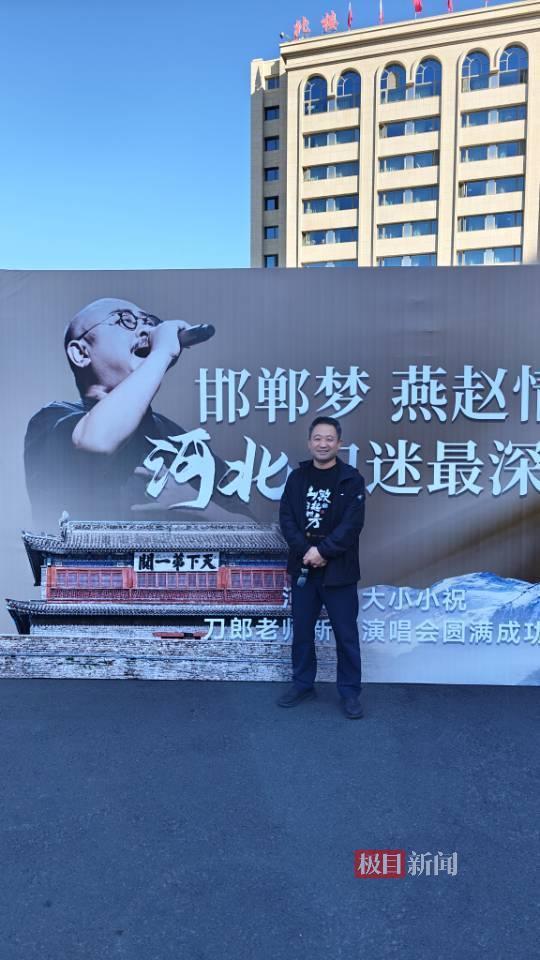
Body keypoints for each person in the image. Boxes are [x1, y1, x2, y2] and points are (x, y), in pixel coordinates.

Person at [24, 297, 250, 528]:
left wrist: (200, 505)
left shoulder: (180, 440)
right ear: (81, 353)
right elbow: (97, 442)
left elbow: (255, 529)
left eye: (149, 322)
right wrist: (163, 351)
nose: (147, 330)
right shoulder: (54, 419)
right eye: (126, 320)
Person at [278, 416, 365, 719]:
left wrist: (323, 551)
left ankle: (350, 692)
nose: (323, 444)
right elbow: (286, 519)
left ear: (339, 443)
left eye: (329, 439)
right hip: (304, 569)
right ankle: (303, 684)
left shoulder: (351, 479)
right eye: (317, 438)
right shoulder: (297, 478)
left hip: (339, 571)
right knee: (302, 631)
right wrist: (307, 551)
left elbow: (352, 524)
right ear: (309, 442)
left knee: (346, 635)